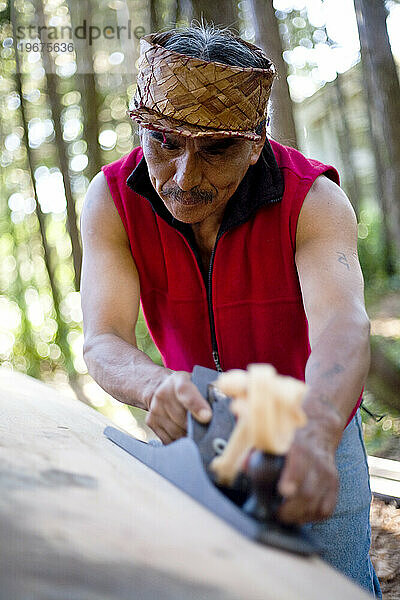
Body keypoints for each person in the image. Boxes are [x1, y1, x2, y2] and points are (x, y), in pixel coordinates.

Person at [80, 25, 381, 597]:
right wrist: (157, 386)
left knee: (338, 585)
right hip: (200, 426)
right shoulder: (111, 200)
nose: (186, 178)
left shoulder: (313, 198)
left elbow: (344, 325)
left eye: (215, 149)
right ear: (142, 128)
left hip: (313, 423)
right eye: (165, 143)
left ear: (256, 142)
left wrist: (317, 432)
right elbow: (102, 340)